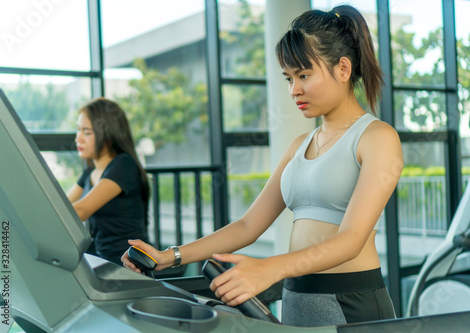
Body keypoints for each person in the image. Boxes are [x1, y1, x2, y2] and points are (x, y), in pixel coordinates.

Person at [122, 5, 403, 327]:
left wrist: (272, 267)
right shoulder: (301, 144)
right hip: (297, 296)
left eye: (304, 75)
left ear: (342, 68)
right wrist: (170, 257)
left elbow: (352, 239)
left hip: (352, 301)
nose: (294, 89)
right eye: (289, 77)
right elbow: (248, 226)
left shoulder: (378, 137)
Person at [67, 97, 150, 266]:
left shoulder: (123, 165)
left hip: (129, 265)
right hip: (101, 262)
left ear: (108, 136)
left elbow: (81, 209)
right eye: (78, 130)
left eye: (87, 133)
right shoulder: (90, 172)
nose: (78, 139)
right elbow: (63, 205)